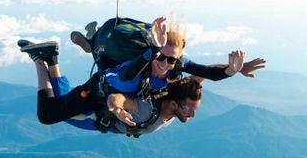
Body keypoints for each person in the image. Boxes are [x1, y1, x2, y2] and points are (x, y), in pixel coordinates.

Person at [23, 39, 201, 137]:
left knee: (65, 100)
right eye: (189, 109)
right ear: (174, 103)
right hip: (95, 117)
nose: (192, 114)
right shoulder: (146, 109)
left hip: (104, 105)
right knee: (48, 114)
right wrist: (116, 108)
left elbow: (199, 78)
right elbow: (120, 100)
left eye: (193, 109)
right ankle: (41, 59)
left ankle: (51, 56)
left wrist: (227, 70)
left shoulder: (172, 91)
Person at [71, 17, 266, 101]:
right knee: (103, 63)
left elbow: (207, 72)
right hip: (114, 54)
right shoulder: (136, 53)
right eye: (162, 57)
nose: (166, 64)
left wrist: (234, 70)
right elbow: (122, 73)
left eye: (172, 60)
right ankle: (89, 42)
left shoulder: (177, 62)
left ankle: (89, 41)